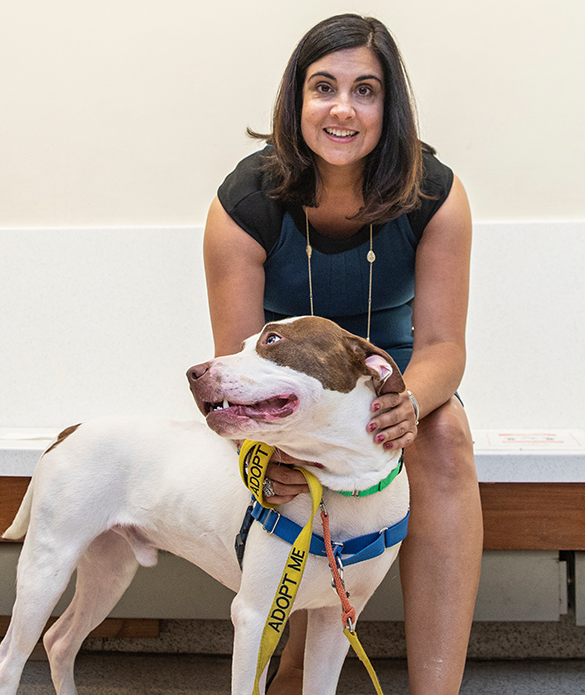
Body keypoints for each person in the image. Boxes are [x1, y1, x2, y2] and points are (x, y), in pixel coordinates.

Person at [202, 14, 482, 694]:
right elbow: (235, 365)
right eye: (324, 87)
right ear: (296, 99)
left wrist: (405, 403)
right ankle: (296, 667)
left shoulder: (437, 194)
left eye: (365, 91)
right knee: (302, 455)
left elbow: (444, 346)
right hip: (287, 386)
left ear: (390, 106)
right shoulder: (242, 203)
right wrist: (260, 449)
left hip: (396, 376)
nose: (342, 109)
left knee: (445, 435)